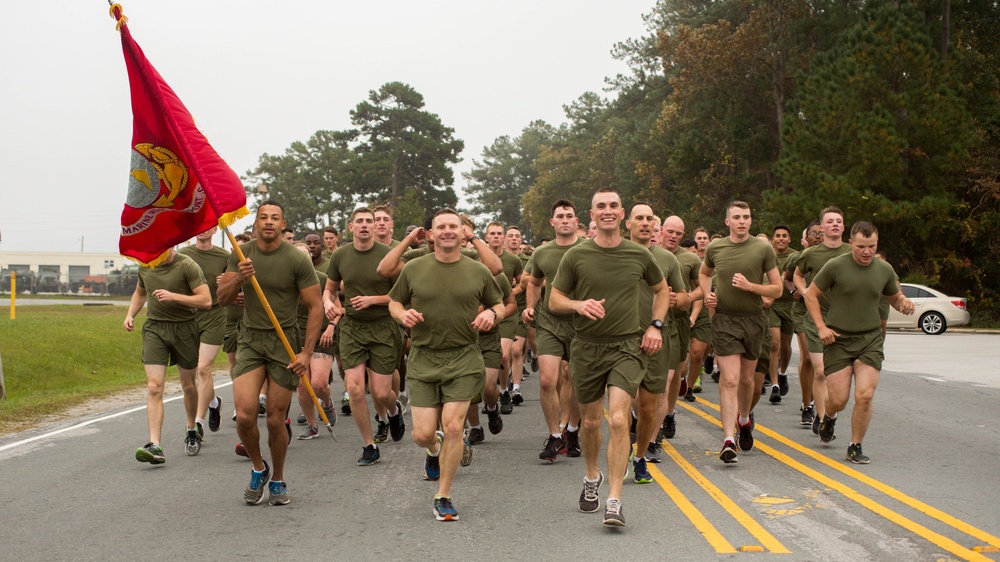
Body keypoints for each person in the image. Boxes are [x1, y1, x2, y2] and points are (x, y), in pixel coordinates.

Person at [548, 188, 669, 526]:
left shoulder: (639, 255)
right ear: (592, 214)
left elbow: (661, 292)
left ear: (622, 212)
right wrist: (577, 305)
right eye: (601, 206)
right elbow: (554, 299)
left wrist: (655, 326)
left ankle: (614, 497)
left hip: (627, 347)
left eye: (613, 205)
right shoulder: (576, 255)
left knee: (617, 419)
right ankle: (592, 477)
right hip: (586, 346)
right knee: (589, 422)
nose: (607, 211)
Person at [388, 208, 505, 522]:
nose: (448, 231)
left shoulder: (477, 271)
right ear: (431, 234)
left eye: (454, 226)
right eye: (442, 227)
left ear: (463, 233)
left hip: (464, 357)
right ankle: (434, 446)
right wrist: (401, 315)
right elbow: (394, 300)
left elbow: (500, 304)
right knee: (422, 435)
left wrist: (491, 315)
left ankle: (443, 495)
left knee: (454, 426)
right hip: (424, 358)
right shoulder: (414, 269)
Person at [217, 200, 323, 506]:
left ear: (282, 224)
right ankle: (258, 467)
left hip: (284, 342)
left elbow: (315, 306)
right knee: (245, 415)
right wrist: (237, 277)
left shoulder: (295, 259)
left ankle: (277, 478)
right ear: (255, 225)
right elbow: (222, 298)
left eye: (275, 218)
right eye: (263, 217)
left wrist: (306, 353)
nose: (268, 222)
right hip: (250, 340)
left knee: (276, 420)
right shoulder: (240, 255)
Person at [804, 222, 913, 463]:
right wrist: (821, 327)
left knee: (864, 396)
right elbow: (810, 294)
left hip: (870, 339)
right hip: (839, 340)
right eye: (861, 246)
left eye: (871, 246)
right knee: (839, 400)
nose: (866, 251)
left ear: (877, 244)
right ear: (851, 243)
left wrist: (903, 302)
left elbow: (893, 296)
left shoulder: (883, 269)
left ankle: (855, 445)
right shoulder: (835, 266)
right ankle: (829, 416)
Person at [699, 201, 782, 464]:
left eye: (746, 217)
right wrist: (707, 295)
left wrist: (750, 286)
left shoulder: (763, 248)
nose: (742, 221)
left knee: (747, 381)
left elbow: (777, 289)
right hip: (724, 321)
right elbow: (704, 273)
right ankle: (727, 439)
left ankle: (744, 420)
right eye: (737, 217)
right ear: (727, 222)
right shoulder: (716, 247)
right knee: (730, 379)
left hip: (754, 321)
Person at [324, 207, 405, 465]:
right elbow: (330, 289)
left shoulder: (388, 256)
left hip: (382, 326)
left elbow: (402, 295)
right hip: (352, 328)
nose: (365, 225)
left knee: (381, 394)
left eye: (369, 221)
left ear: (375, 227)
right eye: (359, 221)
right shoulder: (340, 255)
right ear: (351, 227)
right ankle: (369, 445)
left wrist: (374, 299)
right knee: (355, 388)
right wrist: (329, 303)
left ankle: (393, 410)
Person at [124, 248, 211, 464]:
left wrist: (174, 297)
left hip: (185, 328)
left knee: (189, 385)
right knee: (154, 387)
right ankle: (155, 445)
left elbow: (206, 300)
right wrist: (130, 315)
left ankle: (192, 428)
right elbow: (140, 293)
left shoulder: (187, 265)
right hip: (155, 328)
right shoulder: (145, 265)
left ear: (171, 245)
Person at [626, 205, 687, 481]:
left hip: (656, 338)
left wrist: (677, 301)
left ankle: (641, 454)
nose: (645, 223)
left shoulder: (667, 259)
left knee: (650, 404)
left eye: (650, 218)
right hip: (621, 339)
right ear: (628, 223)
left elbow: (685, 297)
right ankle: (624, 453)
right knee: (621, 403)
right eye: (639, 218)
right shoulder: (616, 254)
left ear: (655, 226)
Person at [521, 200, 585, 462]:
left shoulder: (588, 249)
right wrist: (529, 307)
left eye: (570, 215)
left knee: (578, 380)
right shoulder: (542, 253)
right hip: (549, 321)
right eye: (560, 216)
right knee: (548, 379)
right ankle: (554, 436)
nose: (565, 220)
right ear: (553, 222)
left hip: (582, 322)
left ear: (576, 220)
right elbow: (533, 283)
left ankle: (571, 430)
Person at [793, 207, 851, 435]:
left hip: (845, 321)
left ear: (844, 227)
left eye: (839, 221)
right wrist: (805, 291)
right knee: (820, 372)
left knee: (837, 375)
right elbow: (796, 274)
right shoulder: (812, 254)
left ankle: (830, 413)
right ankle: (821, 416)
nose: (835, 224)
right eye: (830, 221)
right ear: (822, 227)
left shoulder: (852, 251)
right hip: (816, 319)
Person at [177, 227, 230, 435]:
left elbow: (237, 286)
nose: (202, 230)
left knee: (203, 369)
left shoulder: (225, 256)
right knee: (191, 377)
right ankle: (214, 402)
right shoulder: (183, 255)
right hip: (188, 317)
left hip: (215, 315)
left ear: (215, 229)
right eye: (198, 226)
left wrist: (228, 282)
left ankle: (197, 423)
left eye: (207, 226)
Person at [290, 242, 337, 441]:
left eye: (304, 255)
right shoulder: (287, 282)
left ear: (310, 257)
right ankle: (311, 425)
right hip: (295, 337)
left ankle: (327, 403)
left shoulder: (322, 279)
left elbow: (337, 307)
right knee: (302, 385)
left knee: (318, 384)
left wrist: (331, 326)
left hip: (320, 335)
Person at [660, 216, 703, 434]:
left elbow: (703, 286)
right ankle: (649, 418)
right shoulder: (650, 254)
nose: (674, 237)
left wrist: (685, 298)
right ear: (661, 231)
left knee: (675, 371)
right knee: (659, 373)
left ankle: (668, 413)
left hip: (678, 321)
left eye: (678, 233)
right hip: (651, 320)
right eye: (670, 232)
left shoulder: (690, 259)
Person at [784, 222, 822, 425]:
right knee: (808, 357)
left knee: (821, 364)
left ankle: (819, 403)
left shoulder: (833, 257)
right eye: (813, 234)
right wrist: (793, 291)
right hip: (802, 312)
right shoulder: (797, 257)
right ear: (805, 238)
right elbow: (787, 279)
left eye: (820, 233)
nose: (817, 236)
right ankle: (807, 405)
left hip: (826, 313)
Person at [484, 221, 523, 413]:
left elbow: (524, 283)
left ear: (504, 238)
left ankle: (504, 390)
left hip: (506, 312)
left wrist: (510, 293)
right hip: (483, 312)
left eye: (500, 233)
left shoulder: (513, 260)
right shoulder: (478, 259)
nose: (496, 236)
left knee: (504, 354)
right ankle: (490, 392)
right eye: (492, 233)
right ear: (486, 237)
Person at [765, 225, 796, 403]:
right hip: (773, 305)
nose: (781, 239)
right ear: (773, 239)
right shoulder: (769, 255)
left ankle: (782, 372)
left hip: (789, 305)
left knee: (785, 346)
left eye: (785, 236)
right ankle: (775, 385)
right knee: (774, 344)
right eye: (778, 236)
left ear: (789, 239)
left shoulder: (795, 256)